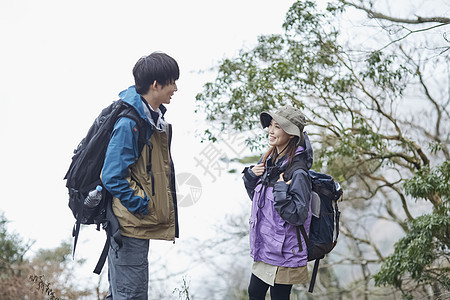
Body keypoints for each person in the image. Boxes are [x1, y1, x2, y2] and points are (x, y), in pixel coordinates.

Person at [101, 52, 180, 299]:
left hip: (136, 225)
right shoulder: (130, 122)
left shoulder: (151, 117)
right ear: (155, 84)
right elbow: (112, 175)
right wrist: (141, 204)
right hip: (129, 226)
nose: (175, 88)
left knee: (122, 294)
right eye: (172, 82)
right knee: (131, 295)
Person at [242, 105, 313, 300]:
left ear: (291, 134)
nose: (270, 131)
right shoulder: (269, 161)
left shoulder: (298, 172)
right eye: (270, 125)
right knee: (254, 293)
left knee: (278, 297)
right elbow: (261, 203)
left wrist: (281, 190)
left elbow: (298, 215)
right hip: (267, 245)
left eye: (277, 127)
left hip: (284, 250)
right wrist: (249, 178)